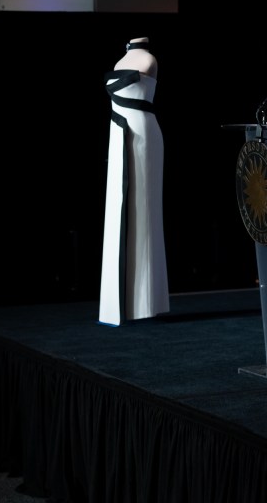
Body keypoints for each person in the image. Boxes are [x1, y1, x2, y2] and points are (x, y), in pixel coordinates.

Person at [99, 37, 169, 326]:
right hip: (118, 131)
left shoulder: (149, 60)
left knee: (145, 212)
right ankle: (123, 303)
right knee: (119, 208)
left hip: (141, 131)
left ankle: (145, 302)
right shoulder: (121, 62)